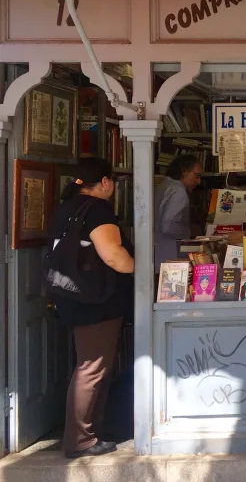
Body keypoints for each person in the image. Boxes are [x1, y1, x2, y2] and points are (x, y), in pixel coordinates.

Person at [46, 158, 135, 459]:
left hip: (75, 298)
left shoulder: (65, 209)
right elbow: (113, 255)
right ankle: (80, 440)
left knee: (94, 365)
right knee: (92, 367)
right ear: (106, 183)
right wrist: (144, 269)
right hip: (96, 302)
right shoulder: (97, 209)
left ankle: (92, 433)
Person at [154, 155, 202, 271]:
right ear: (184, 171)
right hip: (170, 257)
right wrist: (189, 232)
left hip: (156, 255)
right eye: (196, 175)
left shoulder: (162, 186)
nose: (198, 181)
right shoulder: (179, 191)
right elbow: (168, 226)